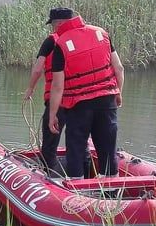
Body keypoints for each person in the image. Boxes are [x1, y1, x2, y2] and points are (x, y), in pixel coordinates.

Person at [47, 12, 125, 178]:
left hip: (79, 105)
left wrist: (53, 114)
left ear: (59, 25)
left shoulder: (61, 44)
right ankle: (112, 193)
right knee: (108, 147)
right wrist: (118, 92)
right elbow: (119, 68)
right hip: (107, 101)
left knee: (76, 147)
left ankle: (77, 189)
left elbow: (57, 86)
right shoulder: (101, 33)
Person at [24, 8, 89, 175]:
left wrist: (30, 88)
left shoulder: (51, 41)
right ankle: (88, 178)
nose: (52, 28)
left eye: (53, 24)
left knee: (50, 142)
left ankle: (47, 176)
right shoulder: (85, 38)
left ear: (58, 23)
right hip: (81, 101)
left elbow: (38, 68)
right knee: (80, 142)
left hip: (58, 101)